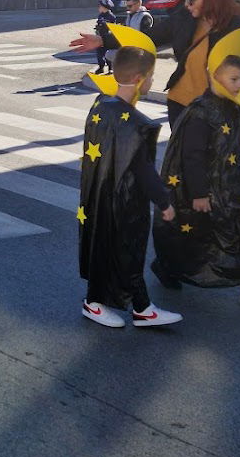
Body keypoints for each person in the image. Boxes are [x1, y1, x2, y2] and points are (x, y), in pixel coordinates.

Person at [151, 30, 240, 313]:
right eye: (233, 79)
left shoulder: (231, 107)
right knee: (193, 239)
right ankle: (167, 267)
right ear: (214, 77)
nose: (238, 85)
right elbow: (191, 156)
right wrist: (198, 194)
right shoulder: (201, 113)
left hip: (233, 194)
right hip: (208, 194)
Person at [77, 39, 181, 329]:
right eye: (150, 77)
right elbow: (143, 168)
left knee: (105, 247)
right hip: (125, 202)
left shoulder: (100, 105)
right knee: (129, 251)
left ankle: (129, 305)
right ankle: (117, 305)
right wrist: (164, 201)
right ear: (139, 79)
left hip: (98, 196)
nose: (151, 82)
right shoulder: (136, 123)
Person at [164, 0, 240, 128]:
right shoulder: (185, 17)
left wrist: (234, 109)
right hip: (179, 103)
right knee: (181, 153)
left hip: (212, 109)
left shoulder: (236, 26)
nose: (187, 5)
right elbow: (152, 36)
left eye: (191, 0)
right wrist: (105, 39)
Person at [92, 0, 114, 74]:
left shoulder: (111, 16)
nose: (98, 7)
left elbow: (112, 27)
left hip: (107, 38)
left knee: (107, 53)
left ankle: (110, 68)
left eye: (100, 6)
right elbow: (99, 23)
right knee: (99, 53)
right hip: (100, 37)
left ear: (104, 7)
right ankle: (101, 66)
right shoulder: (101, 15)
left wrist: (104, 25)